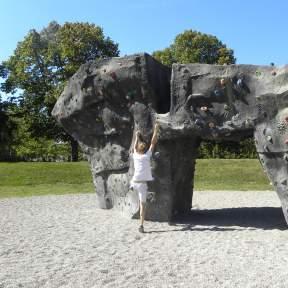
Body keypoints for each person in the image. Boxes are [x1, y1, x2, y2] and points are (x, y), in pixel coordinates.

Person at [131, 123, 159, 233]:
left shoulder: (135, 155)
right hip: (142, 184)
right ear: (144, 149)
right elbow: (153, 142)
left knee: (133, 186)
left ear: (138, 149)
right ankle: (141, 225)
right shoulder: (147, 156)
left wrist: (137, 136)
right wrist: (156, 130)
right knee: (143, 206)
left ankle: (131, 188)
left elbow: (134, 146)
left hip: (134, 182)